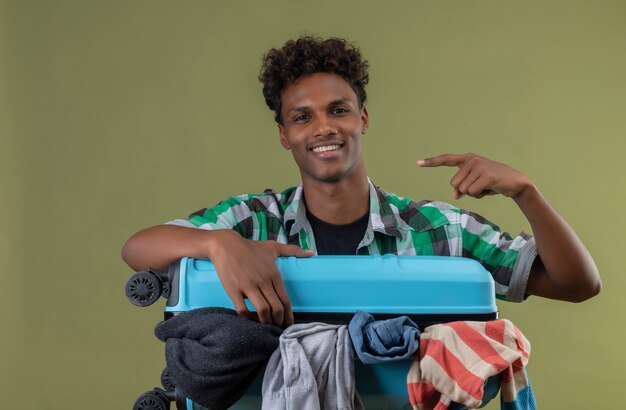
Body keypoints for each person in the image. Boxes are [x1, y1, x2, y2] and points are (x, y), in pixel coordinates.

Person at [122, 36, 601, 328]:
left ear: (363, 118)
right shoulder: (252, 221)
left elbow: (578, 283)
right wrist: (219, 245)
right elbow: (137, 248)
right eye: (302, 118)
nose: (324, 128)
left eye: (339, 110)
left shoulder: (437, 228)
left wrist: (526, 192)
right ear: (284, 136)